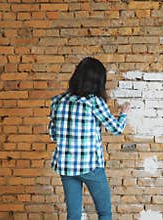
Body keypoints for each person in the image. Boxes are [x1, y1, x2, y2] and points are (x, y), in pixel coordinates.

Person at [48, 57, 130, 220]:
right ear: (98, 81)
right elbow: (116, 129)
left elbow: (53, 135)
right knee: (104, 213)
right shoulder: (94, 102)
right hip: (90, 166)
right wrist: (124, 113)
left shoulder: (57, 101)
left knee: (73, 215)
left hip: (66, 167)